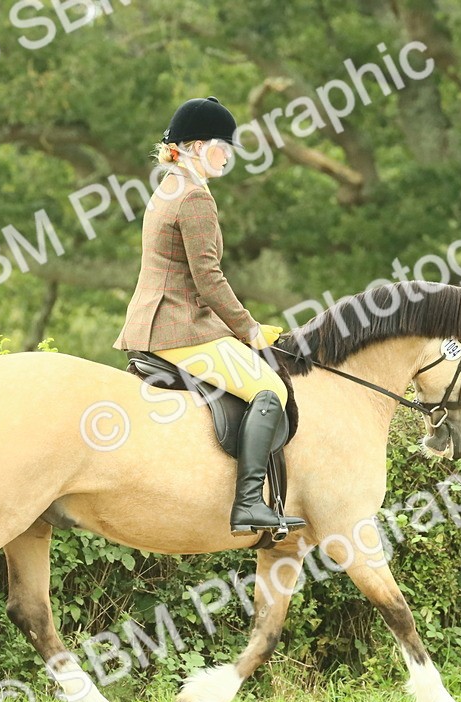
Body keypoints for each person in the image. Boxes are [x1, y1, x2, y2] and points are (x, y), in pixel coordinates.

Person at [113, 96, 305, 535]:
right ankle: (250, 504)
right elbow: (208, 279)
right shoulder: (194, 197)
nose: (230, 155)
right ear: (198, 146)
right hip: (179, 327)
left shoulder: (169, 186)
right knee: (270, 389)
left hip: (163, 319)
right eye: (224, 145)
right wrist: (249, 329)